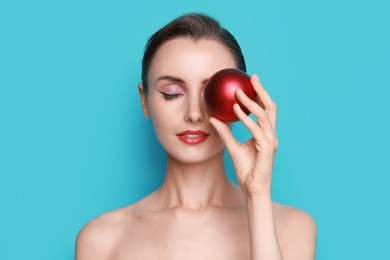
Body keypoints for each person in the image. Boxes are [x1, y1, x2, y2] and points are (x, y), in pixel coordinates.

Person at [75, 13, 317, 260]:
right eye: (171, 93)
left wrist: (257, 197)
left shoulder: (291, 227)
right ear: (144, 101)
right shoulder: (102, 239)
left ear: (244, 99)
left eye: (211, 92)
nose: (193, 114)